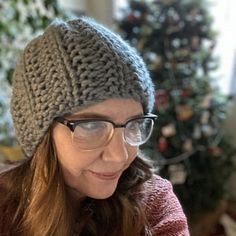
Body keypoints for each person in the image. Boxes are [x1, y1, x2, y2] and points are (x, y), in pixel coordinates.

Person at [0, 17, 189, 236]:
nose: (119, 156)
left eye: (134, 123)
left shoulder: (153, 204)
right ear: (40, 134)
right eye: (91, 126)